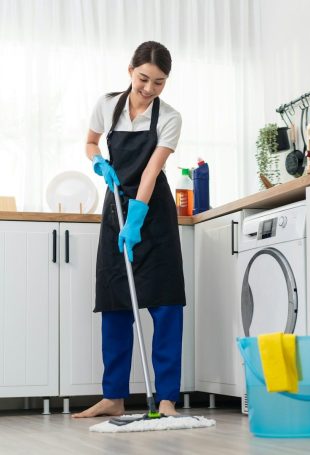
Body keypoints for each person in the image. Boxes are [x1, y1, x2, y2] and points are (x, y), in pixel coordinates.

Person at [73, 41, 185, 418]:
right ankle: (114, 397)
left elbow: (152, 170)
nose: (149, 88)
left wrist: (137, 218)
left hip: (153, 213)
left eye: (159, 82)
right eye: (143, 79)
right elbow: (90, 142)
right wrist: (98, 162)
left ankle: (166, 399)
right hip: (115, 206)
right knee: (115, 301)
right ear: (130, 71)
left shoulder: (170, 117)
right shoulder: (107, 105)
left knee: (166, 304)